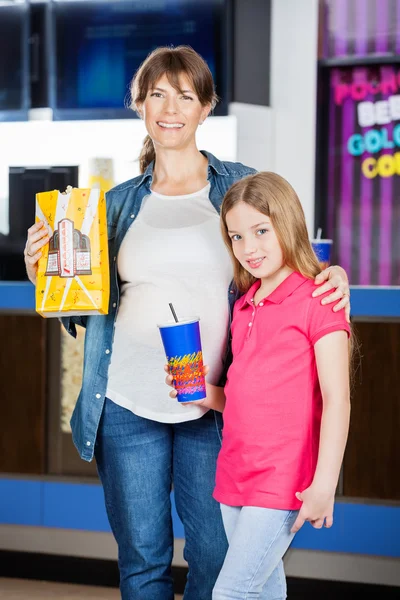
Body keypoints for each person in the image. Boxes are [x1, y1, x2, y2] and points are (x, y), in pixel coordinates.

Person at [24, 46, 350, 600]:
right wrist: (43, 274)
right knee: (142, 561)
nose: (170, 108)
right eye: (156, 94)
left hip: (213, 402)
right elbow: (84, 308)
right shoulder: (113, 205)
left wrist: (335, 272)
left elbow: (291, 259)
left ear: (206, 108)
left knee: (215, 557)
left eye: (185, 95)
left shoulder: (240, 185)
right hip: (126, 402)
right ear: (140, 106)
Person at [167, 171, 351, 600]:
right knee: (265, 590)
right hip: (235, 473)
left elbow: (338, 400)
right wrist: (199, 391)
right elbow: (241, 399)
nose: (249, 248)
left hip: (283, 478)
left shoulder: (319, 300)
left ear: (287, 223)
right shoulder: (245, 305)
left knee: (231, 592)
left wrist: (325, 484)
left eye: (261, 231)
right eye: (236, 237)